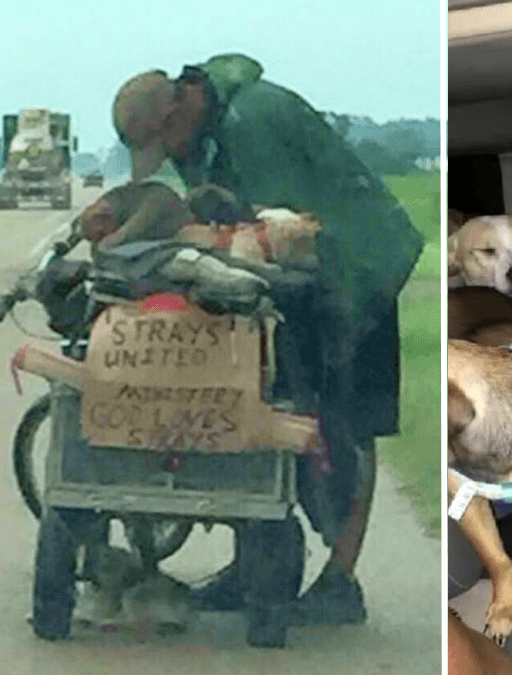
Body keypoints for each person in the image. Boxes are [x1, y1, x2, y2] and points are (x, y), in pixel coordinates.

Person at [110, 56, 424, 625]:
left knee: (343, 421)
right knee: (264, 400)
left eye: (165, 143)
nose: (171, 157)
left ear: (181, 107)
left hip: (360, 270)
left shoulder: (253, 120)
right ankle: (251, 568)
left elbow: (273, 230)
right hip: (312, 272)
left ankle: (339, 582)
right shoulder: (206, 129)